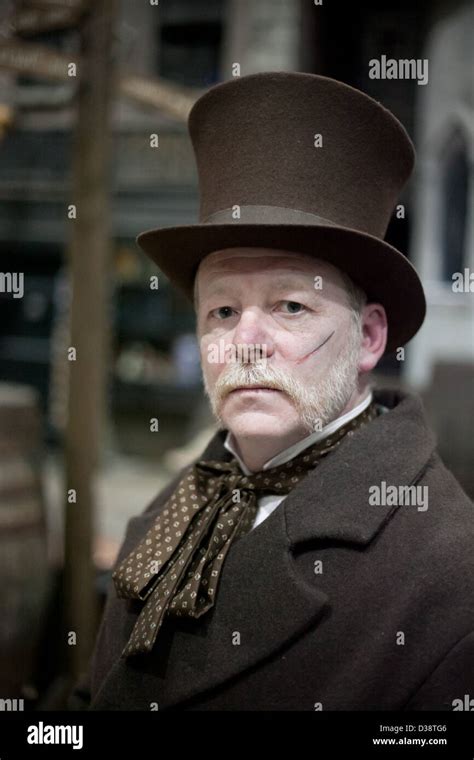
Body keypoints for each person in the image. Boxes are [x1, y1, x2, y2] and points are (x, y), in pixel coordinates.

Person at [70, 72, 474, 711]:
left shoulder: (450, 578)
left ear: (369, 337)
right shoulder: (180, 502)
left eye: (289, 305)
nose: (245, 343)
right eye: (222, 313)